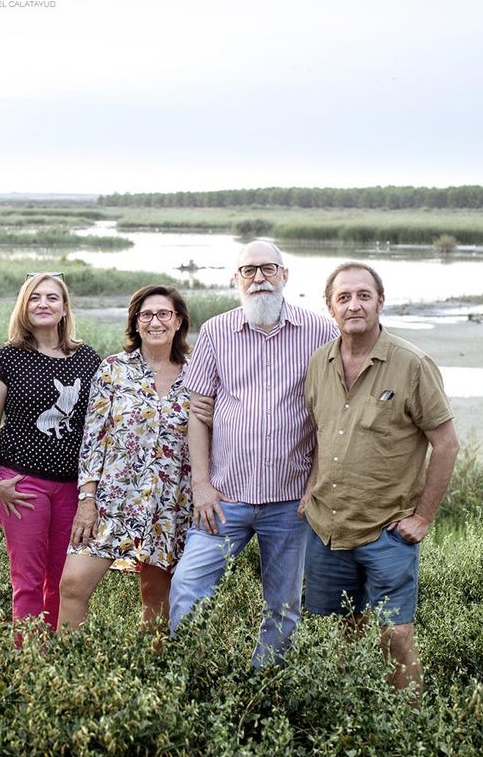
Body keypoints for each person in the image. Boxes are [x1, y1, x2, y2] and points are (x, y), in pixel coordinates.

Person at [169, 239, 337, 667]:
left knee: (282, 606)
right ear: (237, 279)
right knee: (188, 586)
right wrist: (202, 486)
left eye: (267, 269)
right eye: (249, 271)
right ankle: (192, 678)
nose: (259, 278)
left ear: (285, 275)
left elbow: (333, 414)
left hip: (290, 501)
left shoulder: (320, 331)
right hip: (224, 497)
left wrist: (316, 483)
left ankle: (262, 687)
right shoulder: (216, 331)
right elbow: (199, 413)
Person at [300, 261, 459, 696]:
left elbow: (446, 445)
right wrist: (310, 487)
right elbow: (320, 430)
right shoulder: (318, 363)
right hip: (327, 529)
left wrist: (423, 518)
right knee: (341, 636)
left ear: (379, 302)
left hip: (385, 532)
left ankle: (409, 727)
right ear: (330, 307)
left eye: (363, 296)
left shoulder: (412, 364)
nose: (354, 305)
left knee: (396, 637)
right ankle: (354, 715)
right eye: (344, 297)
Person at [58, 285, 193, 633]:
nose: (155, 322)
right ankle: (61, 677)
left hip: (169, 503)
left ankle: (151, 674)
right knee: (72, 584)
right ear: (135, 322)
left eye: (164, 313)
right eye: (146, 314)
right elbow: (93, 439)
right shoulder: (113, 369)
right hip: (112, 501)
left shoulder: (198, 373)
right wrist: (86, 500)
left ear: (178, 321)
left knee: (155, 596)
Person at [0, 272, 100, 634]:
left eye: (52, 297)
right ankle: (29, 662)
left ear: (64, 308)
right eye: (35, 298)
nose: (43, 304)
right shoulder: (7, 359)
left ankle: (56, 663)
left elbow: (99, 427)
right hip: (21, 483)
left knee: (63, 580)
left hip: (72, 489)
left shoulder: (87, 360)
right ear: (24, 307)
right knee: (28, 580)